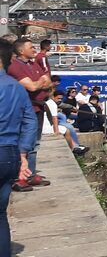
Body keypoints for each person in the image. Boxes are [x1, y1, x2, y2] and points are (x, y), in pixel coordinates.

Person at [6, 37, 53, 191]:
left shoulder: (33, 64)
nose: (34, 49)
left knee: (34, 144)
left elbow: (48, 82)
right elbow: (33, 87)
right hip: (26, 110)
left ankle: (30, 174)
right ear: (21, 51)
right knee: (23, 144)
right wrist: (40, 82)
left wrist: (40, 82)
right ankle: (19, 177)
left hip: (38, 109)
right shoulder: (15, 67)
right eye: (31, 47)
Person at [0, 59, 37, 247]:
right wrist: (23, 153)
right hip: (10, 155)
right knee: (1, 216)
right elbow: (30, 121)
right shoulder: (16, 87)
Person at [42, 90, 88, 156]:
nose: (60, 100)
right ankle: (73, 149)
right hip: (46, 127)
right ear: (53, 97)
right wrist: (56, 131)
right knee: (67, 129)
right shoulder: (53, 104)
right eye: (58, 98)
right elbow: (54, 118)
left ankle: (75, 146)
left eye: (61, 99)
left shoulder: (51, 103)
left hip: (47, 124)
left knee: (65, 122)